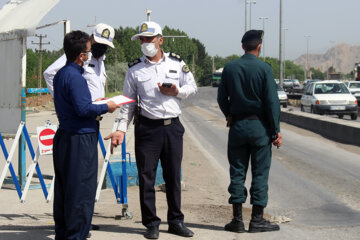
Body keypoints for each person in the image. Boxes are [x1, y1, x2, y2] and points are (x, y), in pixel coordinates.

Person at [105, 21, 197, 239]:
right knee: (146, 177)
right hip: (147, 129)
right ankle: (151, 224)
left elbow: (192, 87)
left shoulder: (176, 63)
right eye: (142, 40)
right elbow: (127, 103)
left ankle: (176, 221)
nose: (145, 43)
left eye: (149, 39)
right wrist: (120, 130)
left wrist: (177, 91)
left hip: (172, 127)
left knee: (173, 176)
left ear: (160, 40)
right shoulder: (134, 69)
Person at [44, 23, 115, 232]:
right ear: (83, 51)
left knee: (69, 188)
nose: (95, 51)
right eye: (93, 47)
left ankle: (71, 229)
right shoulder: (72, 73)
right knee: (81, 188)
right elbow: (83, 108)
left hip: (73, 130)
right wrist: (104, 106)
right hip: (80, 132)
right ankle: (76, 232)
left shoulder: (71, 72)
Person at [217, 30, 282, 233]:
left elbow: (221, 98)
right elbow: (272, 103)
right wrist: (275, 131)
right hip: (259, 128)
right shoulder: (264, 69)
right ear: (259, 47)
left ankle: (237, 220)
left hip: (237, 127)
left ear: (242, 46)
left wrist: (229, 114)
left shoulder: (230, 68)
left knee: (237, 172)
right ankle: (257, 220)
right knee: (260, 173)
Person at [44, 23, 115, 101]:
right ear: (91, 38)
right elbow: (49, 73)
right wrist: (62, 101)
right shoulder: (78, 55)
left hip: (96, 110)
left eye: (104, 45)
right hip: (80, 111)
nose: (101, 47)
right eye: (99, 43)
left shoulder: (101, 62)